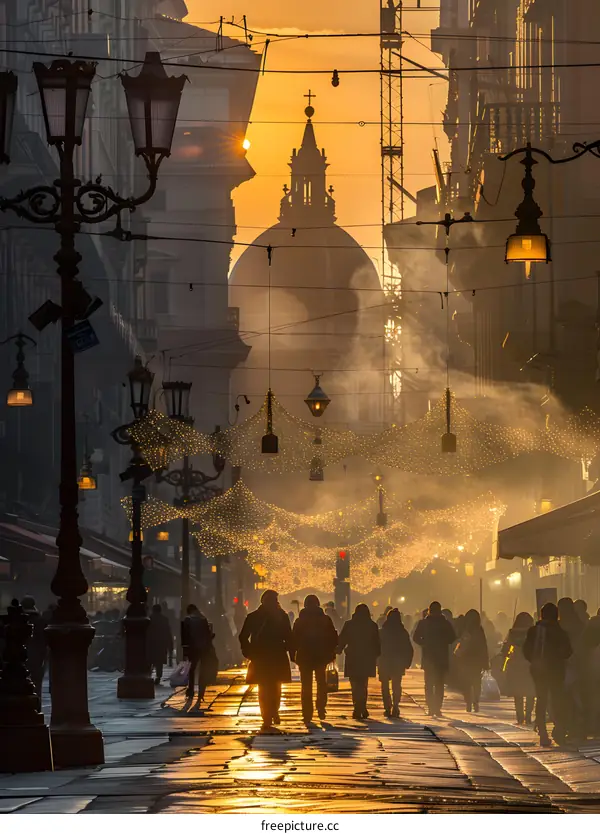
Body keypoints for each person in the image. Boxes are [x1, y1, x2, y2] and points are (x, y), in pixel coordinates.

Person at [239, 590, 294, 731]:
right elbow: (289, 636)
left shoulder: (253, 616)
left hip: (260, 655)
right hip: (277, 655)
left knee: (263, 687)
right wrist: (290, 651)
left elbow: (243, 636)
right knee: (276, 685)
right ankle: (274, 710)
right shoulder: (282, 616)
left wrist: (248, 651)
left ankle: (266, 715)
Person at [523, 602, 572, 747]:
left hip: (538, 670)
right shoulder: (559, 631)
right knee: (557, 699)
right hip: (556, 669)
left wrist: (535, 660)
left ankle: (543, 733)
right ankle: (559, 730)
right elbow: (568, 651)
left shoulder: (533, 631)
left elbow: (526, 650)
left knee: (541, 699)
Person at [292, 594, 338, 724]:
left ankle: (307, 712)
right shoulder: (325, 619)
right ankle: (321, 707)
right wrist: (332, 652)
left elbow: (294, 638)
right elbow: (333, 637)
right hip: (321, 656)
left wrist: (293, 653)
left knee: (306, 685)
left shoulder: (300, 620)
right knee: (321, 683)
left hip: (305, 656)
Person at [413, 601, 456, 717]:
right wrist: (443, 642)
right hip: (441, 657)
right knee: (439, 684)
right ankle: (437, 707)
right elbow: (453, 637)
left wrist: (424, 643)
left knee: (429, 684)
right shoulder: (445, 623)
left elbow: (415, 637)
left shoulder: (424, 623)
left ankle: (431, 707)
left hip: (429, 657)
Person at [338, 603, 380, 720]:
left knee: (355, 684)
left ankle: (357, 707)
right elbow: (377, 643)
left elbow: (342, 639)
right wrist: (376, 655)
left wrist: (339, 649)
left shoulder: (349, 624)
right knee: (363, 684)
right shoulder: (372, 625)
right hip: (366, 658)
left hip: (352, 657)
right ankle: (362, 706)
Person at [501, 612, 535, 725]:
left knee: (518, 693)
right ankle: (528, 716)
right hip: (530, 663)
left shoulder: (512, 632)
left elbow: (505, 649)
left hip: (515, 664)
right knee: (530, 692)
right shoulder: (533, 632)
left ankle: (520, 717)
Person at [378, 608, 413, 718]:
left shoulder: (382, 632)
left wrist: (376, 660)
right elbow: (409, 649)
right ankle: (396, 705)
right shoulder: (402, 632)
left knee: (384, 685)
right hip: (398, 662)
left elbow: (376, 647)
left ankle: (387, 706)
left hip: (384, 661)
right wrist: (407, 662)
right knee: (396, 685)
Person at [454, 609, 489, 712]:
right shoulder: (479, 630)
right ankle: (476, 701)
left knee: (466, 682)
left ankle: (468, 702)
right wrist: (485, 662)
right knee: (476, 682)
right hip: (477, 661)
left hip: (465, 660)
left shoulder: (465, 629)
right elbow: (484, 646)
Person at [181, 603, 217, 701]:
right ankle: (201, 693)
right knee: (203, 670)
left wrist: (185, 651)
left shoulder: (187, 620)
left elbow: (185, 637)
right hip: (204, 648)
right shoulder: (203, 619)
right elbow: (208, 635)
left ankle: (191, 690)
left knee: (192, 669)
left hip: (193, 648)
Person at [20, 596, 47, 700]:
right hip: (37, 657)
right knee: (36, 684)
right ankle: (36, 706)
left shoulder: (18, 620)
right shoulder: (40, 620)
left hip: (20, 657)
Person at [147, 603, 173, 684]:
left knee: (150, 660)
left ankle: (148, 675)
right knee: (159, 662)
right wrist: (170, 645)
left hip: (151, 643)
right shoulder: (165, 619)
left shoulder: (149, 619)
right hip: (161, 643)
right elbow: (168, 632)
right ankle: (158, 676)